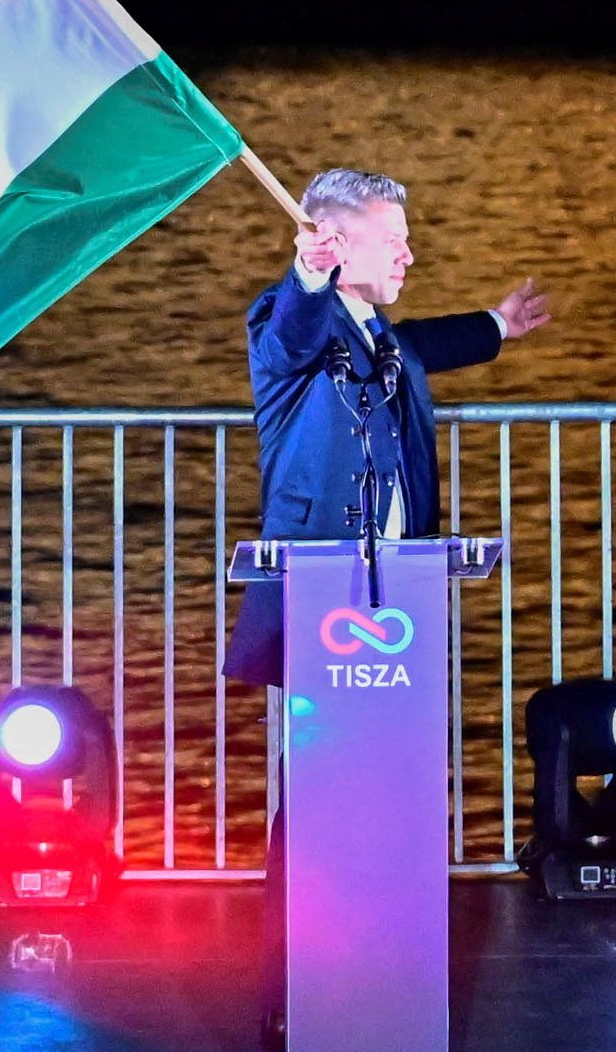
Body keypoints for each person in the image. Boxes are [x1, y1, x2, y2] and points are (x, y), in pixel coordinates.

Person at [223, 167, 548, 688]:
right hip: (316, 571)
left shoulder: (379, 333)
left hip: (398, 578)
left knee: (389, 736)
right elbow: (289, 340)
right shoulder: (289, 317)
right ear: (340, 247)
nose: (408, 256)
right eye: (394, 241)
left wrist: (499, 323)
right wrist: (308, 272)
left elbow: (424, 343)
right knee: (317, 743)